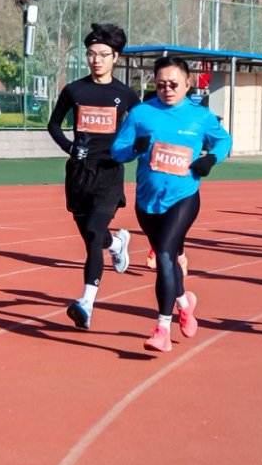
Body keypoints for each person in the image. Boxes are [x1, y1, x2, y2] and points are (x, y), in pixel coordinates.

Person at [110, 56, 232, 352]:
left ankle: (162, 329)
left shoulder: (200, 116)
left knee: (165, 254)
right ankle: (184, 304)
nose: (167, 89)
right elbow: (117, 150)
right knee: (168, 261)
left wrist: (210, 159)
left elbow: (224, 141)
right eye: (161, 84)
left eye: (173, 84)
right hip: (147, 202)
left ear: (188, 83)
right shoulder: (141, 114)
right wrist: (133, 148)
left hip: (184, 197)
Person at [46, 22, 137, 329]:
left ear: (116, 57)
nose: (96, 60)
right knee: (92, 236)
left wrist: (132, 148)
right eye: (91, 54)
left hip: (109, 173)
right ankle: (117, 244)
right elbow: (53, 125)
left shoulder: (125, 95)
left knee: (94, 235)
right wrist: (70, 148)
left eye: (103, 54)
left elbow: (142, 126)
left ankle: (86, 304)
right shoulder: (74, 90)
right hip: (79, 174)